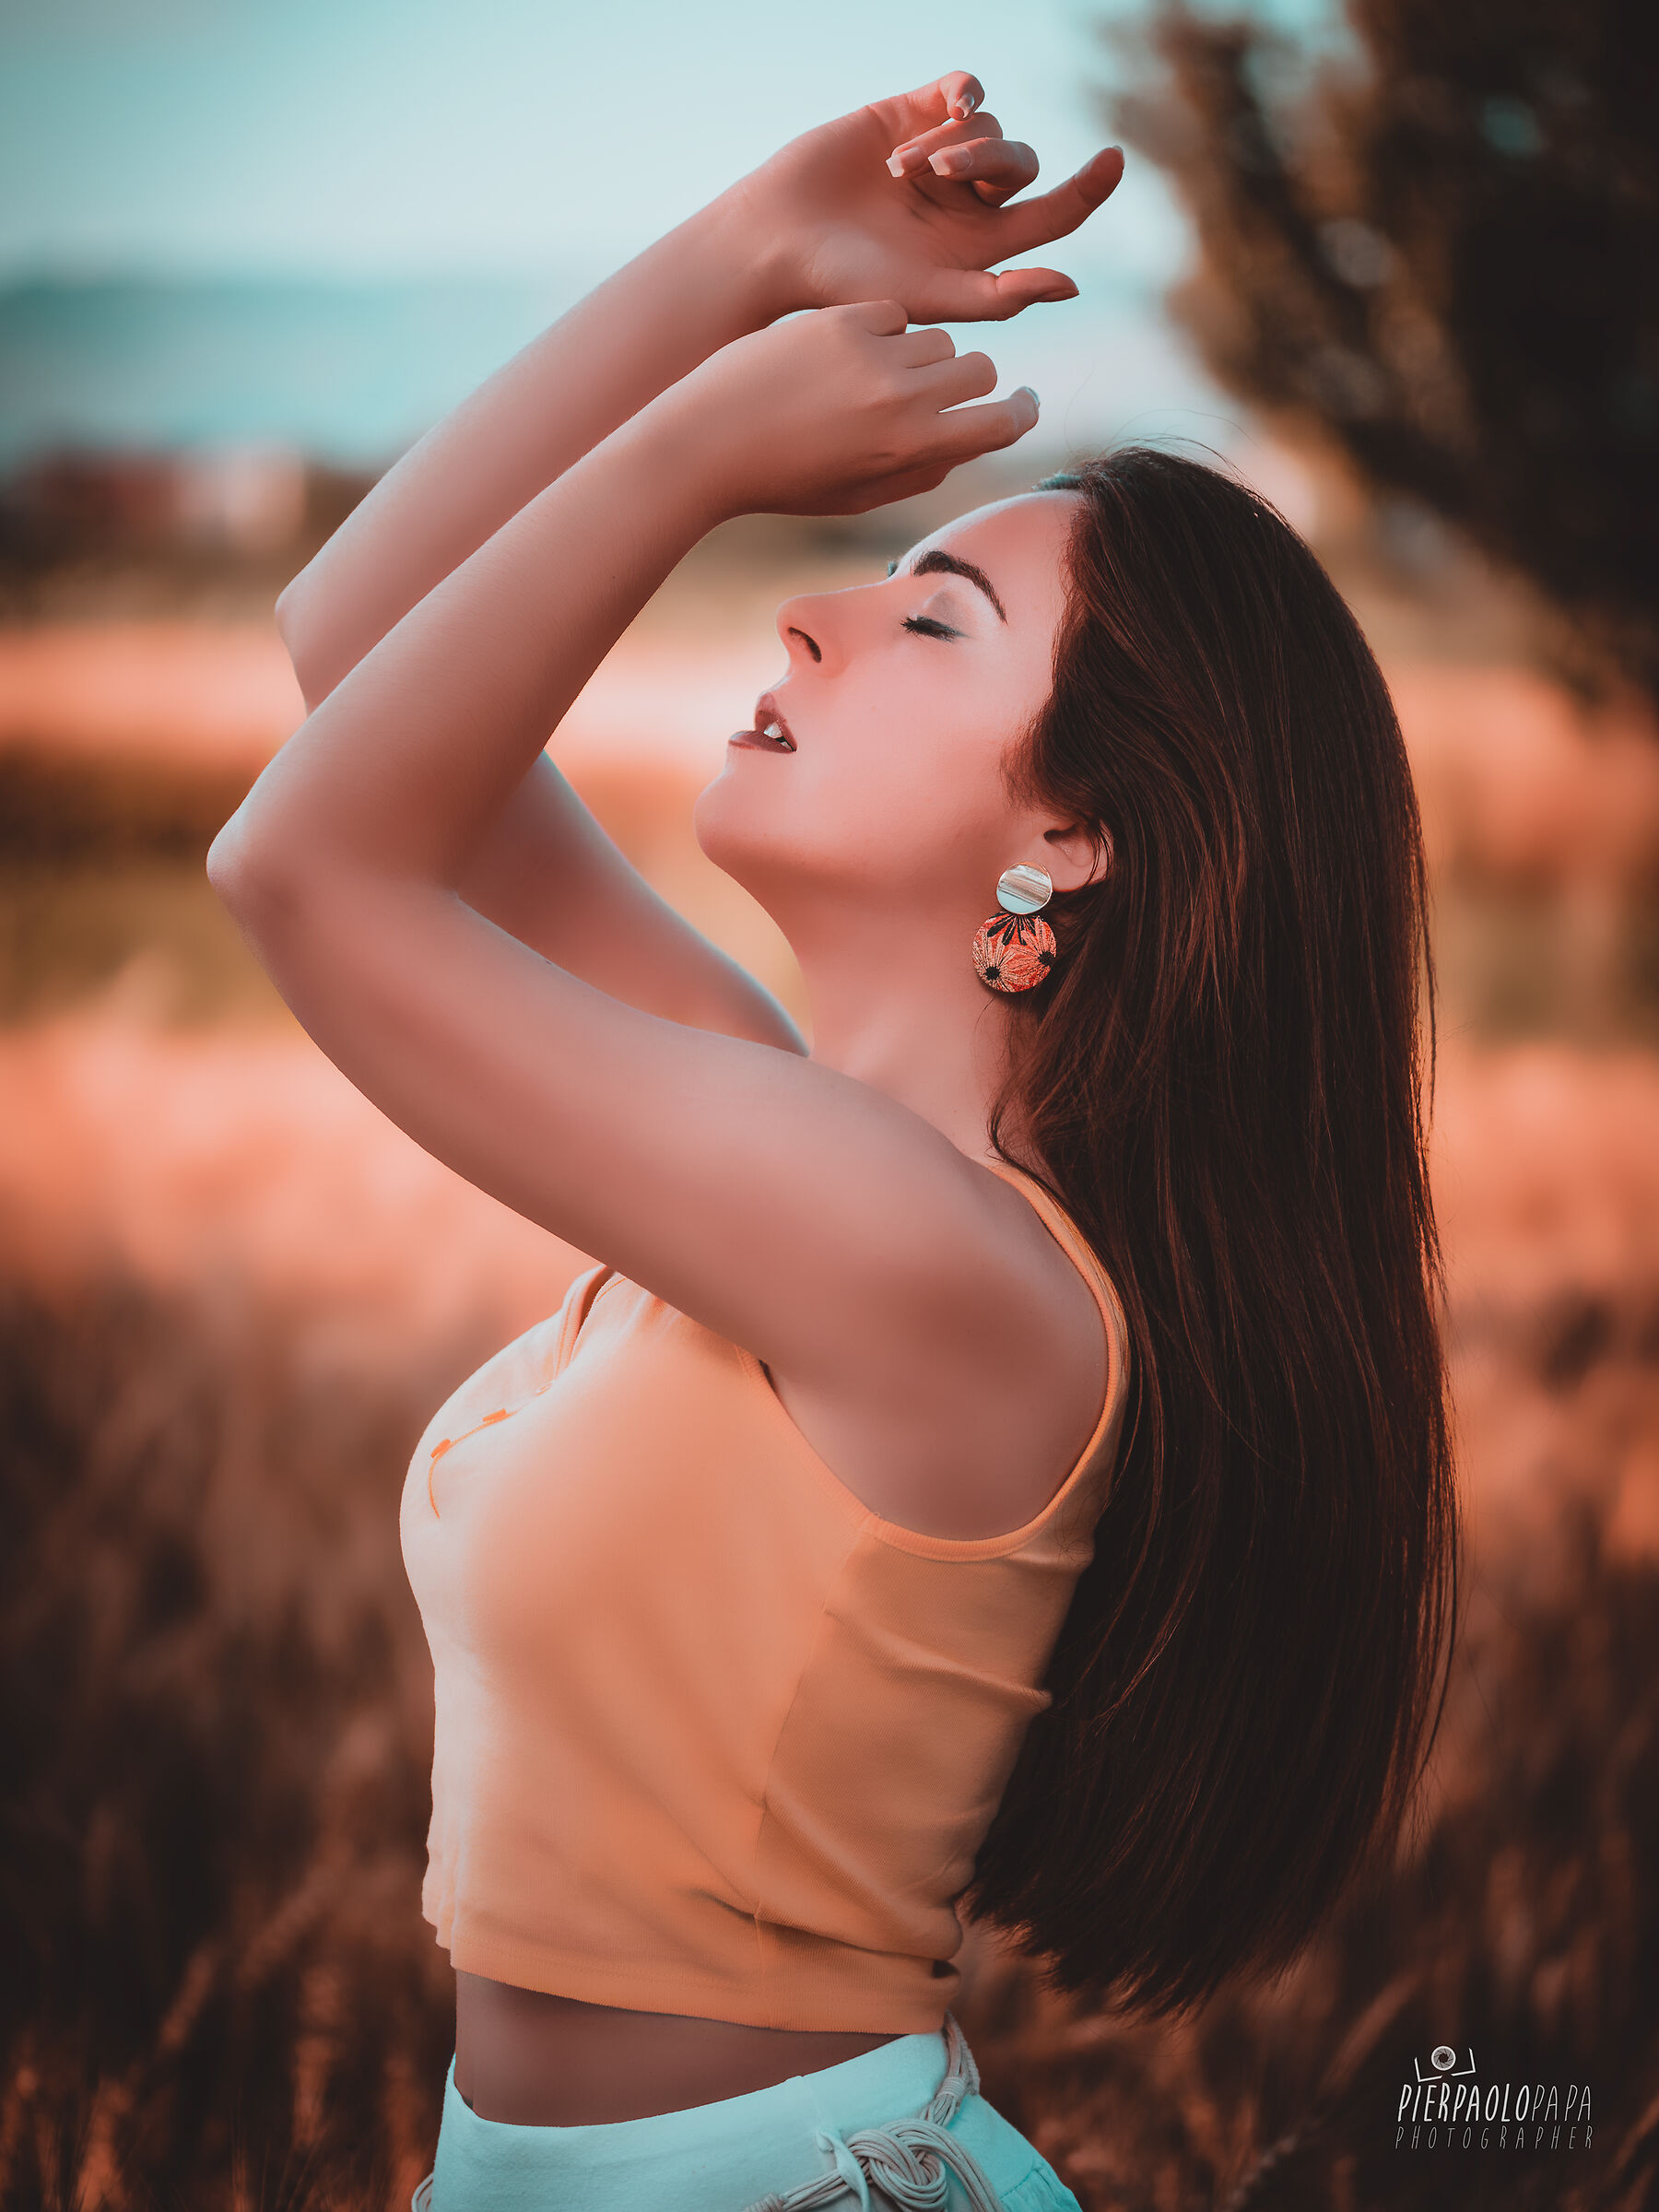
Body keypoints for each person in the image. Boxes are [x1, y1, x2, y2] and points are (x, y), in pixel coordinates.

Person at [208, 67, 1459, 2212]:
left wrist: (705, 461)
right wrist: (742, 259)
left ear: (1075, 830)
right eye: (861, 572)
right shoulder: (771, 1117)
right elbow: (352, 655)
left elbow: (307, 872)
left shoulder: (946, 1269)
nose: (816, 613)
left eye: (933, 617)